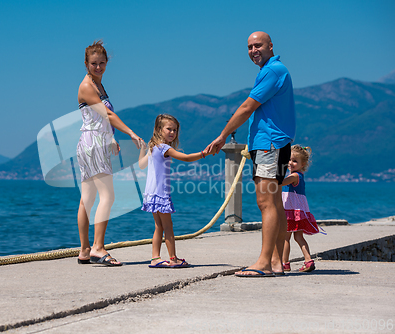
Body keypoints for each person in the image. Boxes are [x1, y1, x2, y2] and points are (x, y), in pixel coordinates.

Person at [205, 31, 296, 277]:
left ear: (270, 46)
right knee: (274, 203)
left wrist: (223, 135)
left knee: (266, 203)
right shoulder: (272, 71)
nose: (253, 50)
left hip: (269, 145)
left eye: (258, 45)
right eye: (249, 47)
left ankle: (264, 262)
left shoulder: (272, 71)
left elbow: (247, 107)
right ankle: (275, 262)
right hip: (271, 145)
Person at [76, 40, 144, 266]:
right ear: (86, 63)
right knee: (108, 196)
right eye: (93, 64)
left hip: (93, 141)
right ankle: (98, 247)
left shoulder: (98, 85)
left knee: (88, 198)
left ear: (107, 63)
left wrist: (112, 137)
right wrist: (131, 133)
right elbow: (107, 115)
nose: (98, 67)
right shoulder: (87, 86)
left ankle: (85, 250)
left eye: (101, 63)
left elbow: (97, 117)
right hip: (93, 143)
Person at [139, 114, 214, 268]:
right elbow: (185, 158)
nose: (172, 132)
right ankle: (173, 258)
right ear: (159, 130)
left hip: (151, 193)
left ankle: (155, 258)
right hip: (161, 193)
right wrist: (204, 154)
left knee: (158, 226)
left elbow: (141, 165)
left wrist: (142, 149)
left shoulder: (153, 147)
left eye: (175, 130)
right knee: (168, 226)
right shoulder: (165, 148)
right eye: (169, 129)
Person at [281, 146, 321, 273]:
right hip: (299, 212)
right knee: (299, 237)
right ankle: (308, 260)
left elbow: (281, 182)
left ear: (302, 164)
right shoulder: (300, 176)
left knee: (285, 238)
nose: (290, 163)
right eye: (289, 160)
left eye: (294, 161)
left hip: (291, 212)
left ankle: (284, 263)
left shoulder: (294, 176)